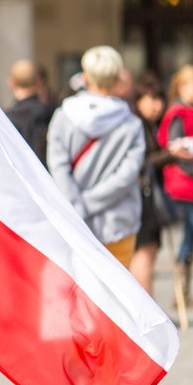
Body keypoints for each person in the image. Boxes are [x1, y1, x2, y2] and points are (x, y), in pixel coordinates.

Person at [47, 46, 145, 269]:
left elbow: (58, 167)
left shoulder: (63, 117)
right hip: (117, 224)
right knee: (114, 298)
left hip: (72, 223)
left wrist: (77, 206)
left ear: (85, 77)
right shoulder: (131, 124)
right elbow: (126, 176)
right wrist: (90, 203)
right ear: (117, 77)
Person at [159, 63, 193, 304]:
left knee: (191, 236)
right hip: (185, 182)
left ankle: (182, 294)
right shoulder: (178, 114)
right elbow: (177, 151)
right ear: (182, 87)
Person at [130, 74, 176, 294]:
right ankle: (146, 312)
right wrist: (170, 155)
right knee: (145, 253)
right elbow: (141, 161)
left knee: (148, 252)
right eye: (150, 99)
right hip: (142, 196)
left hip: (145, 195)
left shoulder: (149, 125)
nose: (157, 105)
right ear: (138, 101)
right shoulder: (136, 126)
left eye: (159, 99)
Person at [4, 59, 56, 165]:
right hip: (48, 176)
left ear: (11, 83)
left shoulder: (6, 118)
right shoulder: (53, 113)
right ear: (39, 81)